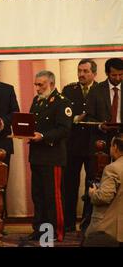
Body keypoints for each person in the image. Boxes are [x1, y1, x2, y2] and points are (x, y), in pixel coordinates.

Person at [28, 70, 72, 242]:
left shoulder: (62, 103)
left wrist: (43, 137)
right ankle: (39, 229)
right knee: (38, 195)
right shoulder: (37, 101)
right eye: (36, 85)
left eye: (41, 85)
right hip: (37, 155)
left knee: (52, 196)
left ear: (52, 84)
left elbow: (64, 129)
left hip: (52, 156)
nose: (37, 89)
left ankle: (54, 231)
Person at [61, 59, 98, 233]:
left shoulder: (101, 90)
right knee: (69, 185)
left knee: (91, 184)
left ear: (94, 74)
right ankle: (68, 223)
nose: (81, 74)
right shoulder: (69, 90)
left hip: (93, 146)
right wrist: (76, 118)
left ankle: (87, 223)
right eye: (79, 71)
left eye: (85, 71)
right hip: (72, 146)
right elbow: (63, 115)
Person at [84, 133, 123, 247]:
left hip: (110, 229)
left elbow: (104, 197)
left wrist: (92, 193)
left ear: (115, 147)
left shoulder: (113, 168)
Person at [86, 58, 123, 152]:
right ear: (107, 73)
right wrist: (100, 126)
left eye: (121, 74)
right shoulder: (96, 90)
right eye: (114, 75)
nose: (118, 78)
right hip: (102, 140)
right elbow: (89, 116)